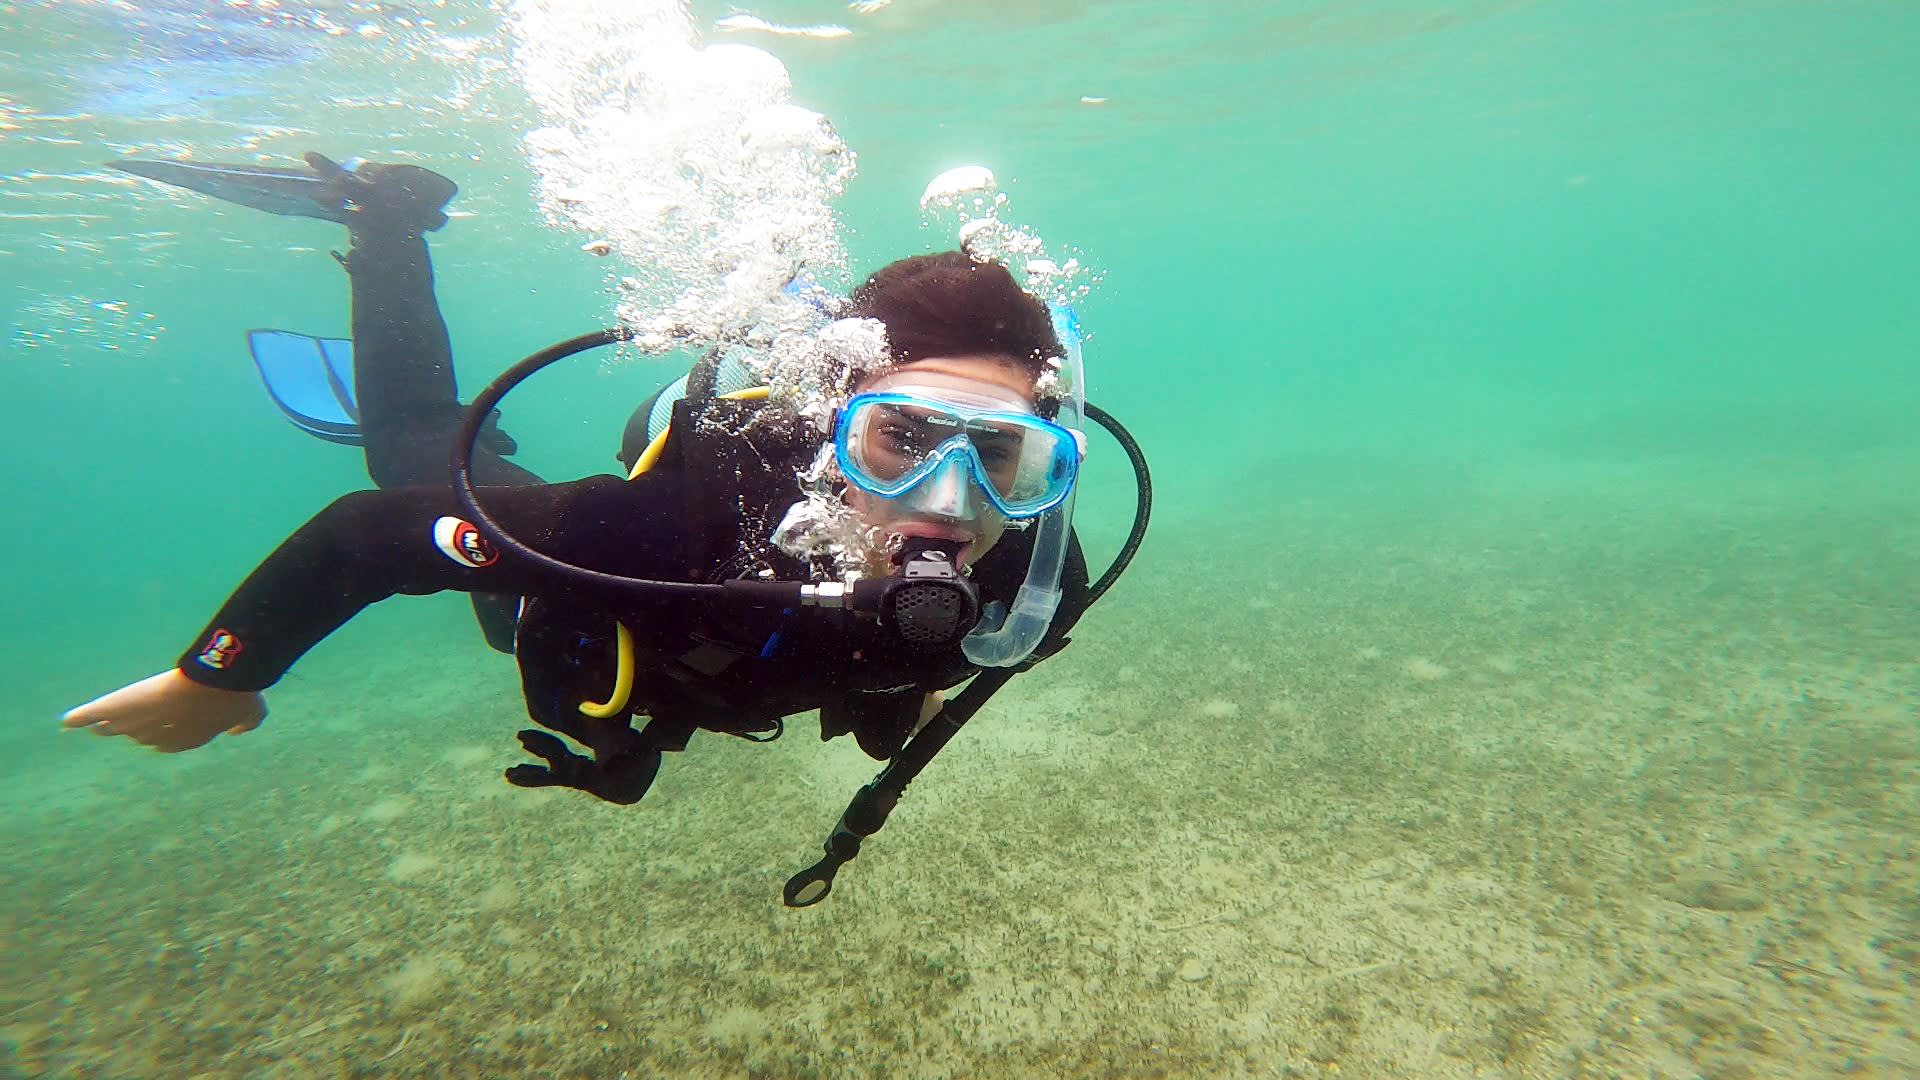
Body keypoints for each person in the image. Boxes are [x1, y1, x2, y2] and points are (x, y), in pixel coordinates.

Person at [63, 156, 1147, 900]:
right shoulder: (653, 527)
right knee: (417, 451)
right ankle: (381, 219)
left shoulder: (1034, 588)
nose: (952, 505)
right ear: (830, 428)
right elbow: (361, 537)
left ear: (1049, 462)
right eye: (902, 440)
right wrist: (217, 674)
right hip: (564, 597)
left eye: (1005, 459)